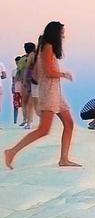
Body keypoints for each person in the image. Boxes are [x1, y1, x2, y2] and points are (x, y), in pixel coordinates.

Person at [4, 22, 79, 169]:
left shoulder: (44, 49)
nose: (63, 35)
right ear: (55, 33)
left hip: (55, 93)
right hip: (49, 93)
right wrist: (63, 74)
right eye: (61, 32)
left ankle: (64, 159)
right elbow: (48, 72)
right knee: (43, 130)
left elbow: (37, 74)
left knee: (69, 124)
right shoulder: (47, 47)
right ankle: (11, 152)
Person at [9, 55, 22, 125]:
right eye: (16, 63)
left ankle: (25, 120)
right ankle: (15, 121)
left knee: (24, 105)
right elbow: (13, 81)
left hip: (23, 90)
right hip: (16, 90)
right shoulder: (14, 71)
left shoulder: (24, 71)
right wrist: (12, 87)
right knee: (15, 106)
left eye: (18, 62)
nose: (17, 64)